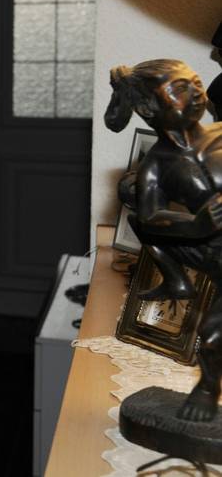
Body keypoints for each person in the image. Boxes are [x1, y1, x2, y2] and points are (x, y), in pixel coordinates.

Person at [106, 58, 222, 420]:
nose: (197, 93)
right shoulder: (157, 164)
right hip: (215, 254)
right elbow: (154, 219)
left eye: (196, 82)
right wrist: (197, 225)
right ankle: (207, 389)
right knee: (215, 338)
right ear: (147, 108)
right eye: (181, 89)